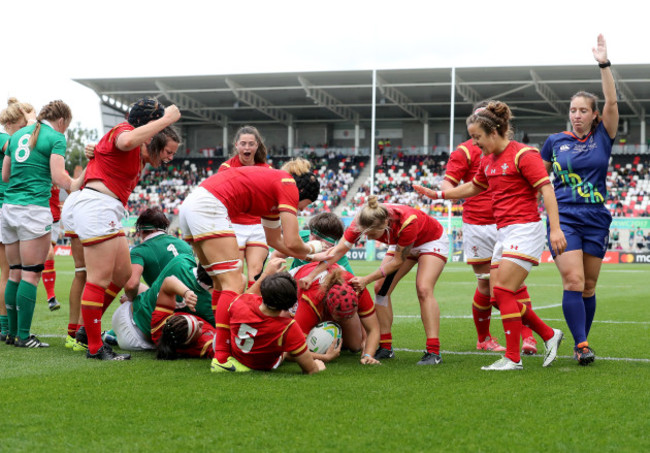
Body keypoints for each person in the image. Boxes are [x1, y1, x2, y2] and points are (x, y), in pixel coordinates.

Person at [414, 100, 565, 370]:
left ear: (493, 133)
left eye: (478, 138)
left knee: (505, 290)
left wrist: (555, 229)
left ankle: (513, 358)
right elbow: (473, 187)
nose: (476, 143)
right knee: (497, 296)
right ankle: (548, 334)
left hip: (525, 229)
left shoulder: (524, 155)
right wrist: (438, 194)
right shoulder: (487, 160)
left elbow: (547, 190)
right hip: (504, 232)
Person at [178, 157, 322, 367]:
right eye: (303, 206)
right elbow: (292, 240)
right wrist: (314, 249)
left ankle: (221, 346)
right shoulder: (288, 184)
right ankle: (222, 358)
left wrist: (310, 256)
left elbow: (275, 241)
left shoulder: (273, 192)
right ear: (303, 194)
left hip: (194, 204)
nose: (299, 210)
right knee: (235, 282)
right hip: (210, 205)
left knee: (219, 283)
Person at [72, 97, 181, 360]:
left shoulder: (138, 151)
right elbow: (125, 140)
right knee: (98, 278)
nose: (170, 158)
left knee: (123, 275)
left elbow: (126, 148)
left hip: (107, 208)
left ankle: (89, 330)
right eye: (168, 151)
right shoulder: (124, 131)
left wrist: (94, 150)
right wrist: (166, 119)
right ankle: (94, 345)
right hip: (98, 205)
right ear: (152, 133)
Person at [540, 35, 618, 366]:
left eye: (583, 110)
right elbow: (539, 181)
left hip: (596, 217)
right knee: (573, 280)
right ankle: (581, 344)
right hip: (565, 217)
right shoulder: (555, 142)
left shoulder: (604, 137)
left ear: (593, 114)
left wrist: (604, 64)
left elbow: (613, 104)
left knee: (588, 285)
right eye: (572, 110)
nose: (576, 115)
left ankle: (582, 339)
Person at [309, 197, 449, 366]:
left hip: (430, 240)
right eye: (365, 234)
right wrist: (311, 275)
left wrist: (366, 279)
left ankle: (433, 352)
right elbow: (338, 251)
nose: (368, 238)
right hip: (400, 242)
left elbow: (397, 261)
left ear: (385, 225)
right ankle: (386, 347)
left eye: (373, 235)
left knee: (423, 288)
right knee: (380, 288)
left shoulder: (407, 222)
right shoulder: (362, 220)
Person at [2, 100, 84, 347]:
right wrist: (85, 180)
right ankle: (24, 337)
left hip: (9, 208)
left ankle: (12, 333)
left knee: (14, 272)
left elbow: (5, 175)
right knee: (30, 275)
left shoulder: (16, 135)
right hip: (33, 210)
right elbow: (60, 178)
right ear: (62, 121)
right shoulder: (55, 137)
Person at [212, 266, 326, 374]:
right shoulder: (288, 327)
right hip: (261, 366)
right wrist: (319, 365)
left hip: (235, 355)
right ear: (290, 303)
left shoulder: (240, 301)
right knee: (287, 343)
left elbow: (249, 299)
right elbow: (310, 369)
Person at [111, 254, 215, 351]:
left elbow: (170, 281)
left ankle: (111, 333)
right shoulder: (208, 306)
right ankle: (113, 335)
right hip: (137, 340)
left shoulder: (181, 260)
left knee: (150, 290)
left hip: (124, 311)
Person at [290, 261, 381, 365]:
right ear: (329, 308)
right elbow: (291, 351)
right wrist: (325, 357)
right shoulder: (309, 301)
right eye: (340, 317)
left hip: (327, 293)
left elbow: (373, 328)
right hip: (297, 286)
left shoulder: (357, 287)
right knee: (295, 340)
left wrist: (368, 355)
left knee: (355, 345)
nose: (345, 320)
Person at [218, 126, 273, 289]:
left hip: (258, 226)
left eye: (251, 144)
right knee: (236, 274)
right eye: (243, 143)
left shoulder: (267, 170)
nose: (247, 148)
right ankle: (232, 311)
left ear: (257, 146)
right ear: (236, 145)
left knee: (256, 272)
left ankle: (250, 310)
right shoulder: (226, 168)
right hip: (234, 226)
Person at [0, 98, 34, 342]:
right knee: (11, 273)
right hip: (8, 206)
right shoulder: (6, 139)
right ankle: (7, 329)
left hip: (6, 208)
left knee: (9, 273)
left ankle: (6, 328)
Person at [123, 205, 193, 301]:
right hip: (194, 300)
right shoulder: (184, 244)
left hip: (169, 306)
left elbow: (131, 286)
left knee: (126, 305)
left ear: (142, 229)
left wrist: (130, 299)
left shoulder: (139, 250)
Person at [272, 212, 353, 273]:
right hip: (292, 286)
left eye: (318, 238)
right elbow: (276, 255)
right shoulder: (301, 238)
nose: (312, 240)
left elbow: (353, 287)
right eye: (311, 234)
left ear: (331, 243)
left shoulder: (337, 256)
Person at [42, 184, 62, 311]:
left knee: (42, 261)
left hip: (56, 220)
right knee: (48, 254)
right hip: (42, 217)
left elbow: (72, 189)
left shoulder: (61, 172)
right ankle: (51, 297)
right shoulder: (39, 168)